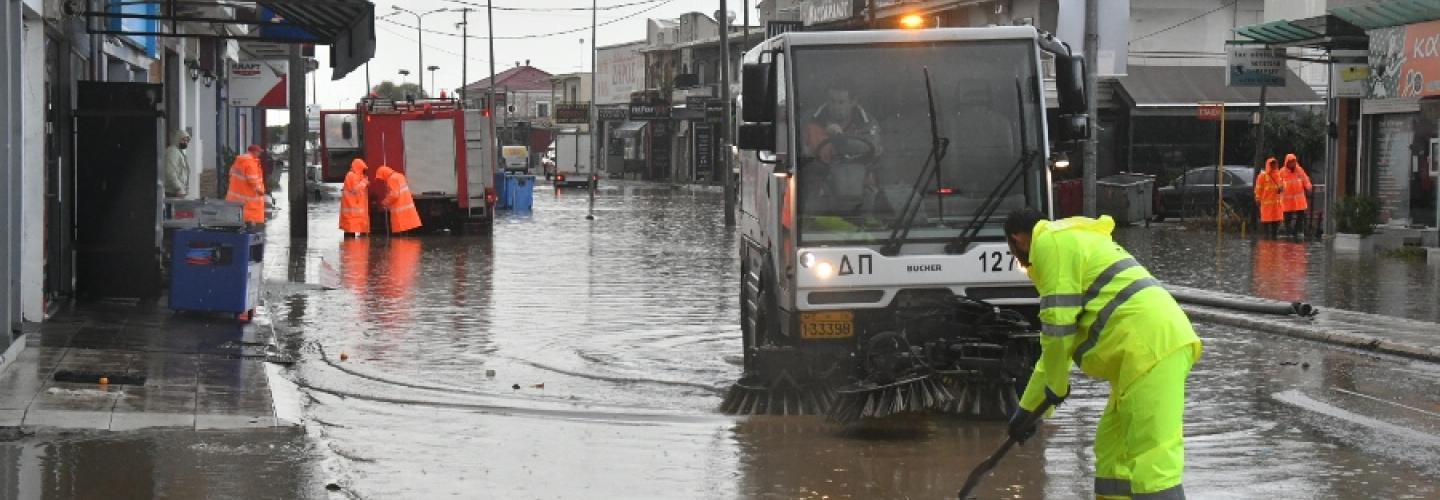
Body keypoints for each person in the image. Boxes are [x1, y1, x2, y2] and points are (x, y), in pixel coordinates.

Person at [1003, 209, 1202, 500]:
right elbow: (1059, 344)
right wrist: (1030, 408)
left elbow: (1058, 331)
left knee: (1153, 464)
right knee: (1112, 455)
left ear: (1017, 239)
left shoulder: (1049, 244)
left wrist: (1049, 394)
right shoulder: (1070, 241)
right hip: (1137, 357)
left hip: (1149, 349)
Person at [226, 145, 268, 227]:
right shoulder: (250, 163)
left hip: (236, 196)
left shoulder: (239, 161)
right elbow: (253, 180)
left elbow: (231, 174)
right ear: (253, 152)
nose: (259, 153)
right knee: (249, 220)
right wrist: (261, 191)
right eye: (258, 152)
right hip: (248, 198)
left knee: (239, 217)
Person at [374, 165, 423, 234]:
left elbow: (394, 195)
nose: (382, 179)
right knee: (407, 232)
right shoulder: (400, 176)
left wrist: (385, 202)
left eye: (382, 177)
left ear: (384, 174)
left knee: (400, 236)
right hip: (406, 208)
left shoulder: (391, 179)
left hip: (399, 211)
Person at [1279, 153, 1313, 237]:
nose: (1292, 163)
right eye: (1290, 162)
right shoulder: (1282, 172)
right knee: (1287, 217)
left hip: (1299, 199)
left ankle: (1295, 232)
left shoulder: (1299, 170)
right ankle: (1288, 232)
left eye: (1293, 161)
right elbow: (1278, 182)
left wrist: (1308, 187)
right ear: (1287, 162)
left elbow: (1305, 179)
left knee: (1300, 216)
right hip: (1287, 199)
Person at [1254, 157, 1285, 238]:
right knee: (1266, 224)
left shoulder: (1279, 175)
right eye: (1272, 164)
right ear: (1268, 165)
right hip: (1266, 204)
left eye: (1275, 163)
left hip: (1276, 205)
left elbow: (1283, 185)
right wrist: (1257, 198)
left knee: (1275, 225)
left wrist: (1281, 188)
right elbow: (1258, 188)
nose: (1274, 165)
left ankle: (1273, 241)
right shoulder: (1262, 176)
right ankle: (1266, 240)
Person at [340, 158, 371, 237]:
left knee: (352, 236)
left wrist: (364, 182)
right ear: (359, 167)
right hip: (351, 211)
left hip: (355, 211)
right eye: (362, 169)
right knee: (350, 234)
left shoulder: (356, 176)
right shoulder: (351, 175)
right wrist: (364, 182)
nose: (363, 171)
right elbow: (355, 189)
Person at [164, 129, 191, 198]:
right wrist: (178, 188)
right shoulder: (173, 151)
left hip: (176, 191)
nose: (185, 143)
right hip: (172, 191)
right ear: (177, 139)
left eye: (187, 141)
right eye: (183, 140)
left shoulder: (179, 152)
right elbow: (170, 171)